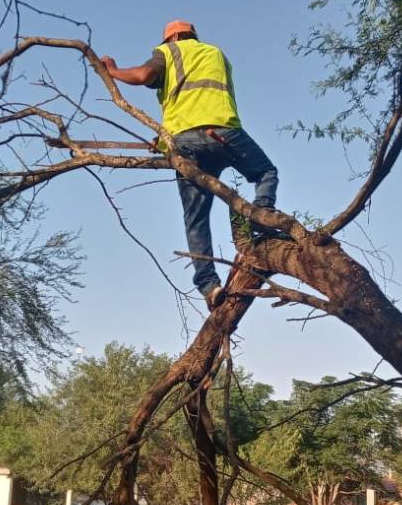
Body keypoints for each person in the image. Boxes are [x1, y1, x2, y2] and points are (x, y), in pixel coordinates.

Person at [101, 20, 280, 311]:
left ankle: (209, 286)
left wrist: (113, 71)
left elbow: (146, 74)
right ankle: (261, 213)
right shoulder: (215, 53)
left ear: (172, 38)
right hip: (224, 135)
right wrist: (160, 142)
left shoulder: (168, 52)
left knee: (195, 218)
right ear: (193, 35)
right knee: (265, 172)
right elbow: (196, 100)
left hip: (186, 145)